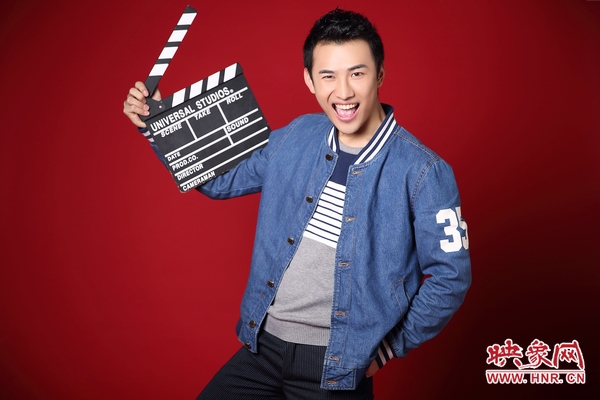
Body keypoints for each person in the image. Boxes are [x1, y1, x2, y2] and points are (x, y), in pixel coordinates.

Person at [123, 8, 471, 400]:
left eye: (357, 73)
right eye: (328, 76)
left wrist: (391, 347)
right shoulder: (296, 135)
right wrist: (157, 125)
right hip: (263, 346)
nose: (343, 92)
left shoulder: (424, 171)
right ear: (309, 80)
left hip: (334, 365)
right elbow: (222, 180)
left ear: (379, 75)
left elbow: (451, 277)